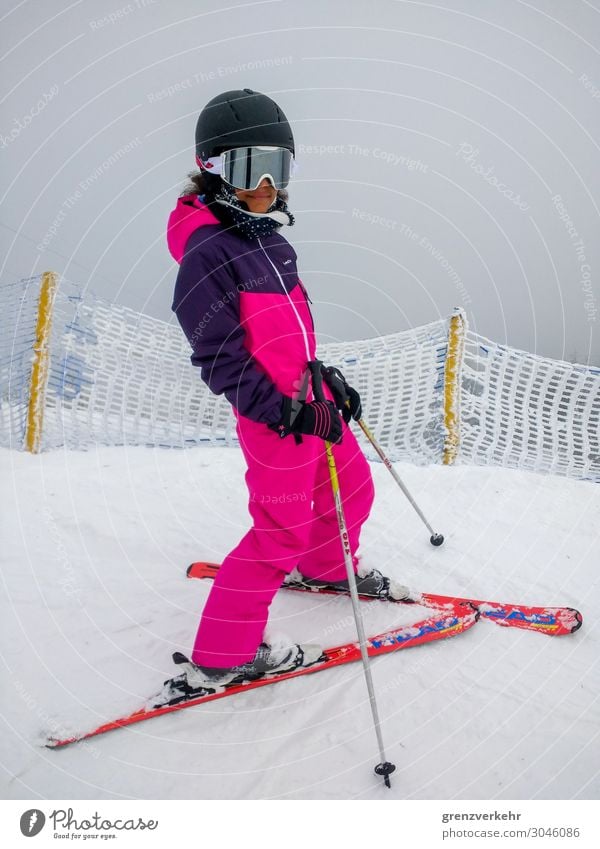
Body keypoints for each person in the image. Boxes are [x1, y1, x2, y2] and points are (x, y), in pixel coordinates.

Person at [168, 89, 407, 689]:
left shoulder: (272, 242)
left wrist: (321, 377)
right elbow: (220, 357)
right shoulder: (208, 253)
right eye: (252, 168)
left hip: (307, 400)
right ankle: (224, 657)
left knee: (353, 485)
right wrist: (285, 411)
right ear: (214, 171)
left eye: (280, 166)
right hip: (272, 419)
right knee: (278, 534)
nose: (268, 184)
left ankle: (327, 568)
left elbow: (284, 335)